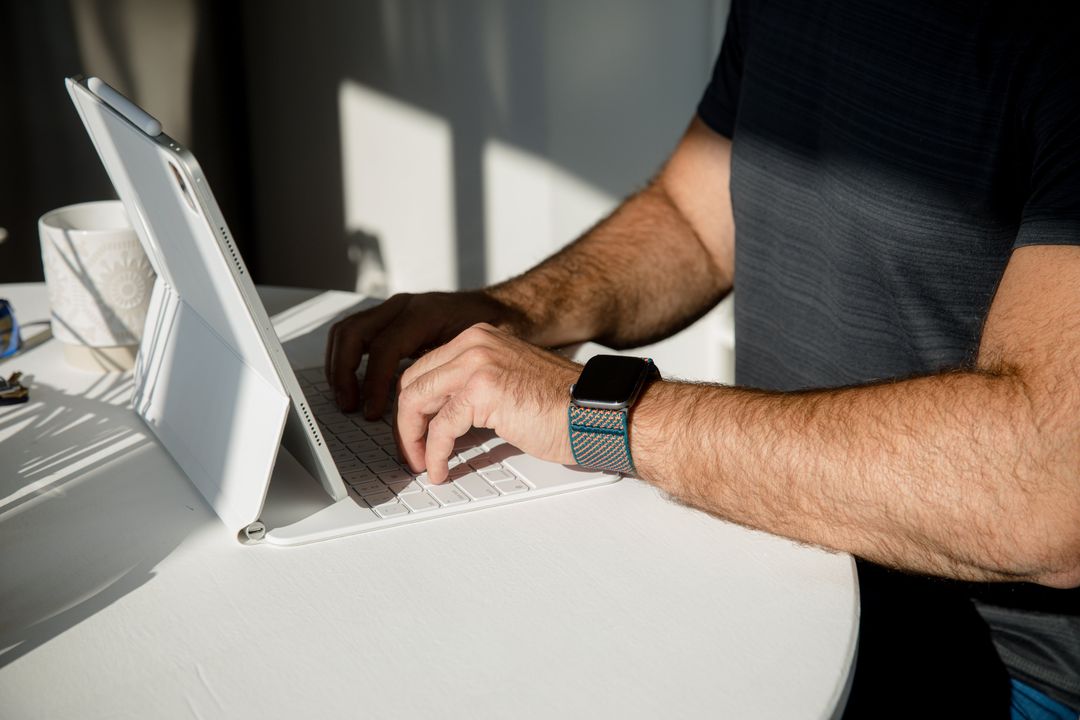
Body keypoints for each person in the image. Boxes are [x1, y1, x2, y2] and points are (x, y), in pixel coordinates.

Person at [326, 1, 1080, 716]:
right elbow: (694, 216)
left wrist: (598, 413)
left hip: (994, 666)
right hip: (774, 552)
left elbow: (1046, 494)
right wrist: (517, 313)